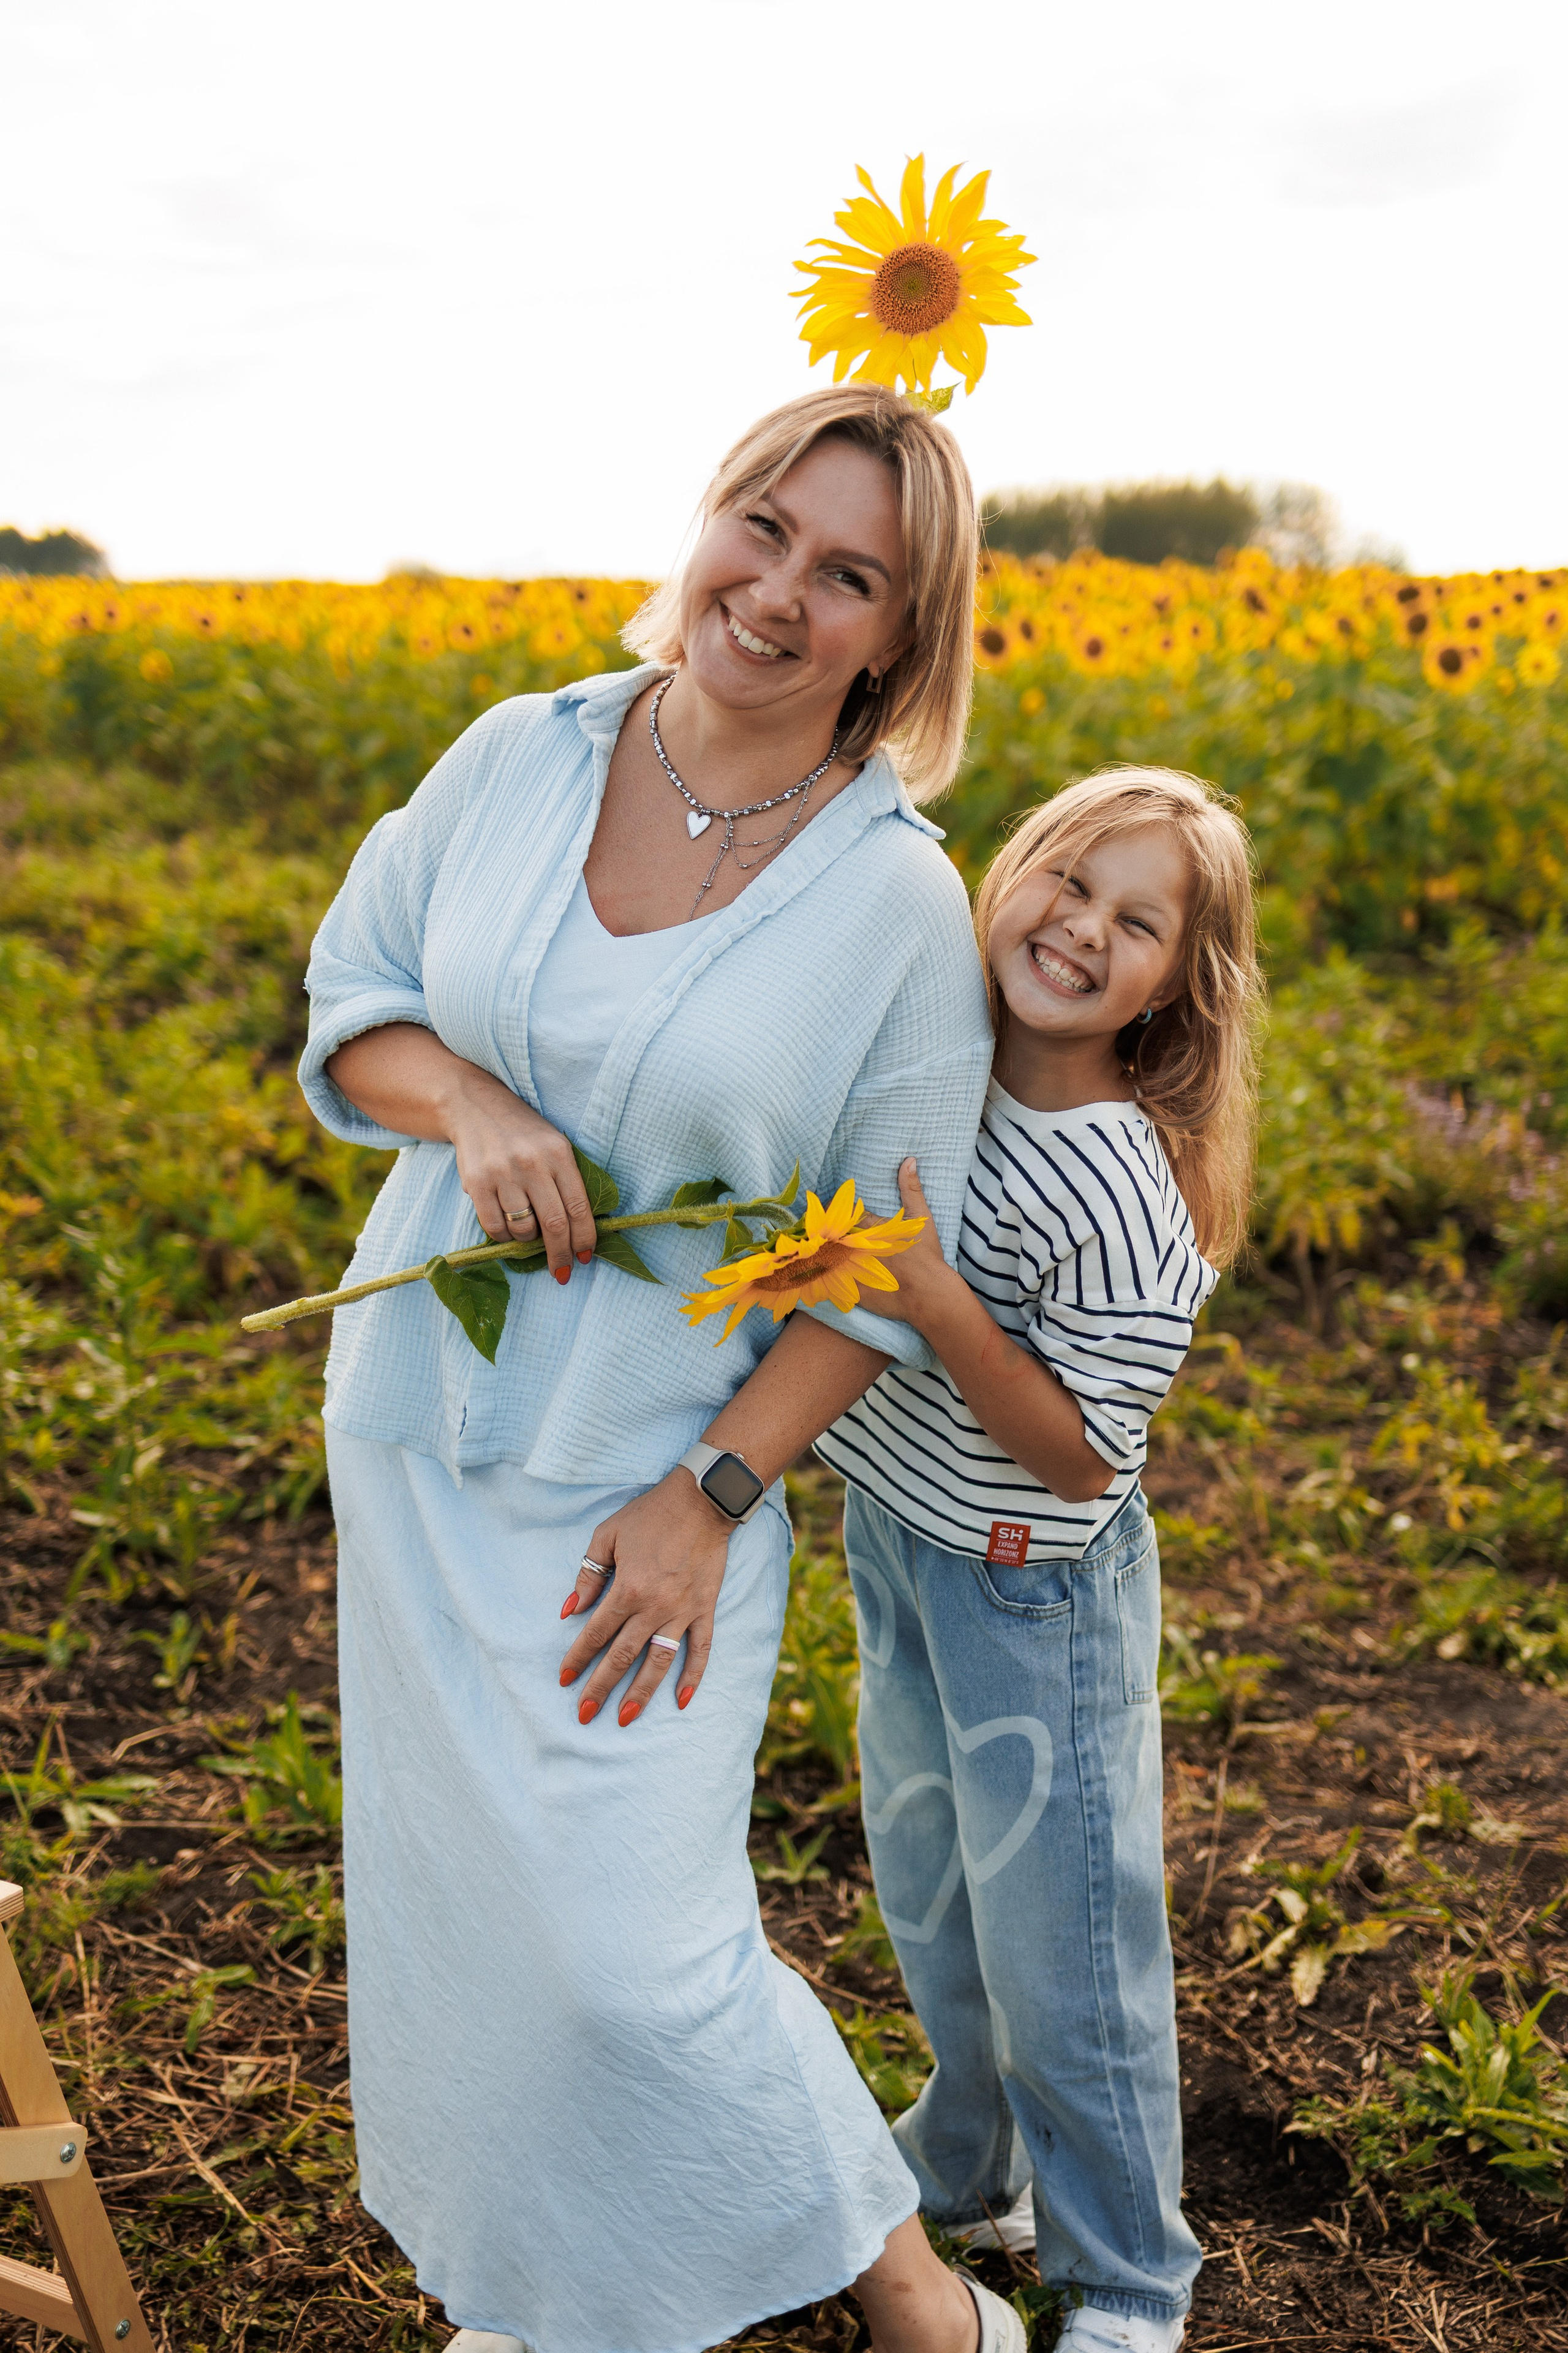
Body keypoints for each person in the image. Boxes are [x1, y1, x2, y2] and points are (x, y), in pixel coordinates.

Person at [297, 385, 1026, 2353]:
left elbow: (879, 1268)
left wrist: (713, 1498)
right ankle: (533, 2290)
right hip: (421, 1432)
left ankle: (909, 2289)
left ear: (901, 633)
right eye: (765, 529)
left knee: (633, 1955)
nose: (778, 594)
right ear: (709, 519)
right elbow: (352, 997)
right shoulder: (517, 755)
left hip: (654, 1486)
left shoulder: (894, 900)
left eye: (848, 572)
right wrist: (471, 1107)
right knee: (479, 1925)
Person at [820, 767, 1263, 2353]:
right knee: (935, 1893)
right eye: (1070, 880)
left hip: (1030, 1580)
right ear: (1013, 874)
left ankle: (1130, 2269)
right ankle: (971, 2159)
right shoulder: (944, 1063)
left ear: (1173, 988)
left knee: (1065, 1933)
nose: (1082, 928)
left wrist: (939, 1300)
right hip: (904, 1539)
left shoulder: (1121, 1183)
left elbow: (1085, 1448)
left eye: (1136, 920)